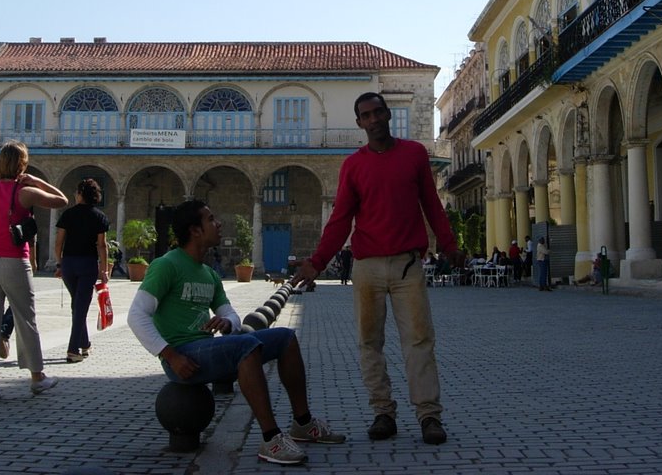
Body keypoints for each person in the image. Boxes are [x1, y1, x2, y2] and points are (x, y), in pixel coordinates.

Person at [292, 92, 456, 446]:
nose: (374, 119)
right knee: (370, 343)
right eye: (366, 115)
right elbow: (340, 220)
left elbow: (432, 204)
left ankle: (429, 416)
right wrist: (317, 262)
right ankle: (383, 412)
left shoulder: (414, 155)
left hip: (407, 265)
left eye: (379, 112)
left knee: (419, 341)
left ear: (388, 115)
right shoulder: (353, 165)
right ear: (359, 123)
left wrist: (451, 245)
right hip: (366, 267)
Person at [128, 200, 345, 466]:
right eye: (211, 219)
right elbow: (137, 315)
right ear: (195, 230)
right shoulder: (167, 265)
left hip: (207, 350)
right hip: (183, 357)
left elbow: (230, 313)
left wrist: (227, 323)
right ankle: (271, 438)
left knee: (285, 337)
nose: (218, 224)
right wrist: (170, 355)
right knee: (246, 346)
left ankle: (302, 422)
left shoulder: (208, 273)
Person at [0, 140, 68, 401]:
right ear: (22, 165)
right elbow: (61, 200)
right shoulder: (25, 192)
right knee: (25, 319)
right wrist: (36, 181)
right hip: (13, 263)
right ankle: (37, 377)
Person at [54, 178, 110, 363]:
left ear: (80, 194)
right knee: (80, 307)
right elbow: (102, 245)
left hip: (69, 264)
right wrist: (104, 269)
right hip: (87, 264)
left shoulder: (67, 215)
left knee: (77, 305)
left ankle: (84, 343)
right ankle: (73, 349)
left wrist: (59, 263)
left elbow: (59, 242)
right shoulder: (99, 216)